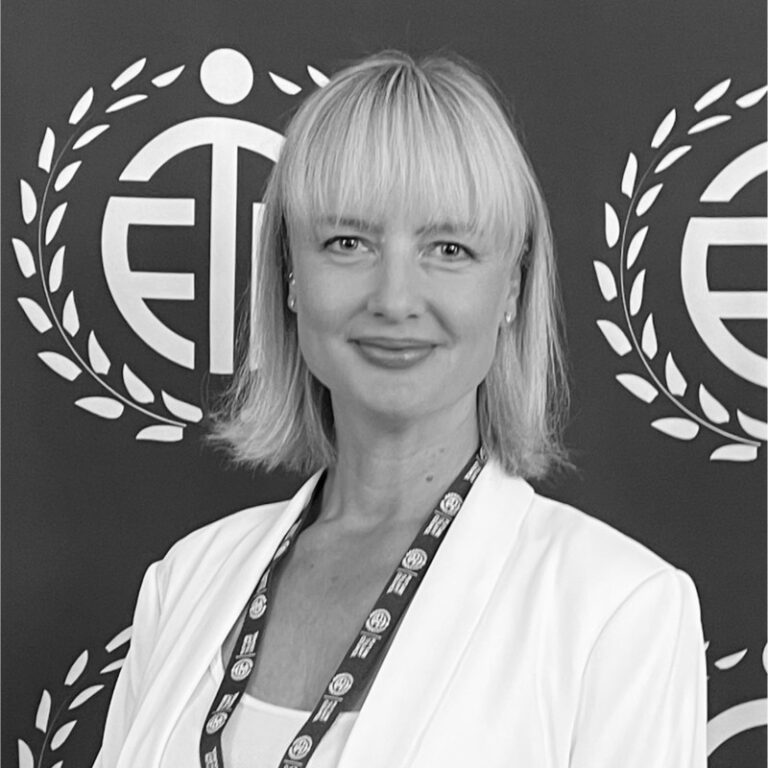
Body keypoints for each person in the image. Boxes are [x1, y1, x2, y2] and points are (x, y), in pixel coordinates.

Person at [93, 50, 707, 768]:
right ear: (290, 277)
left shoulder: (619, 611)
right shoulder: (185, 582)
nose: (393, 298)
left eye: (449, 248)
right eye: (347, 242)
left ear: (512, 288)